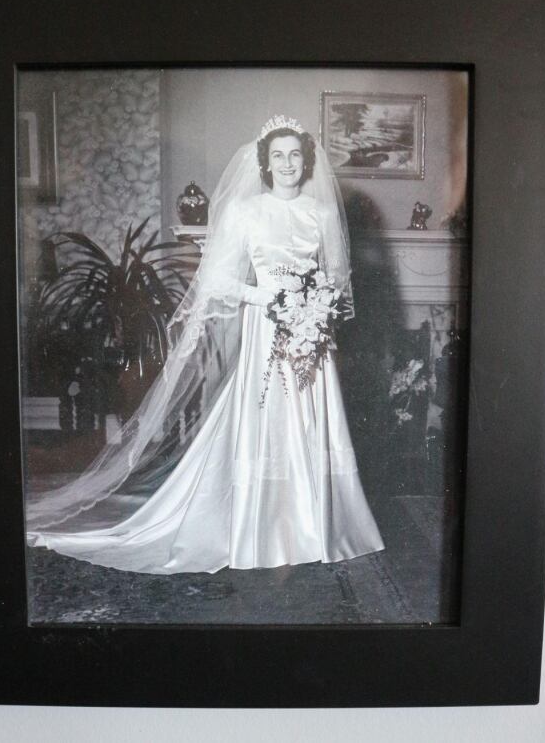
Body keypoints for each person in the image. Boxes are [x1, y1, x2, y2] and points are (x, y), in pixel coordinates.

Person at [27, 115, 384, 573]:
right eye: (278, 155)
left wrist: (316, 309)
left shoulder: (324, 214)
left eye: (295, 154)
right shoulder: (246, 211)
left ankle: (319, 524)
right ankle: (266, 528)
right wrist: (266, 296)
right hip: (266, 325)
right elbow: (217, 279)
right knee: (268, 411)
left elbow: (337, 275)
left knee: (314, 415)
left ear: (306, 159)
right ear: (265, 162)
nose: (288, 163)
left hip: (310, 331)